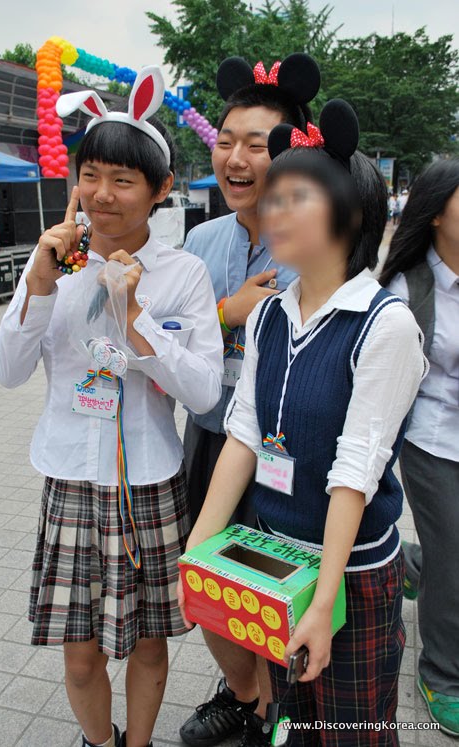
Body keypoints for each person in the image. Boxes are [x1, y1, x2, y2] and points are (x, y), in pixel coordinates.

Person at [179, 99, 427, 746]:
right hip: (274, 555)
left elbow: (356, 469)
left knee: (351, 729)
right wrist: (197, 556)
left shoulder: (385, 324)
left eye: (299, 198)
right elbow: (243, 433)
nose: (274, 210)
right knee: (291, 722)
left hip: (350, 574)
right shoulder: (268, 314)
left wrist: (322, 606)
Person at [0, 67, 223, 747]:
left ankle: (139, 743)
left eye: (123, 180)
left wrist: (136, 319)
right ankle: (99, 742)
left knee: (150, 645)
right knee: (79, 649)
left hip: (151, 483)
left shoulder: (181, 273)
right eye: (90, 175)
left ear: (159, 190)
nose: (101, 194)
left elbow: (206, 393)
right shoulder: (58, 262)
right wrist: (37, 285)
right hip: (69, 479)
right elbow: (5, 372)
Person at [180, 54, 321, 747]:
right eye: (226, 138)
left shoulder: (317, 244)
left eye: (257, 144)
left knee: (275, 591)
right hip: (207, 436)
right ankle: (243, 696)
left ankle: (279, 708)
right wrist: (224, 312)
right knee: (208, 580)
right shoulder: (201, 240)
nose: (235, 157)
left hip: (284, 454)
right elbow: (165, 332)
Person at [380, 158, 459, 737]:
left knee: (449, 551)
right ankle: (442, 674)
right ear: (435, 215)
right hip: (434, 440)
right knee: (457, 551)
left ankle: (414, 563)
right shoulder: (409, 287)